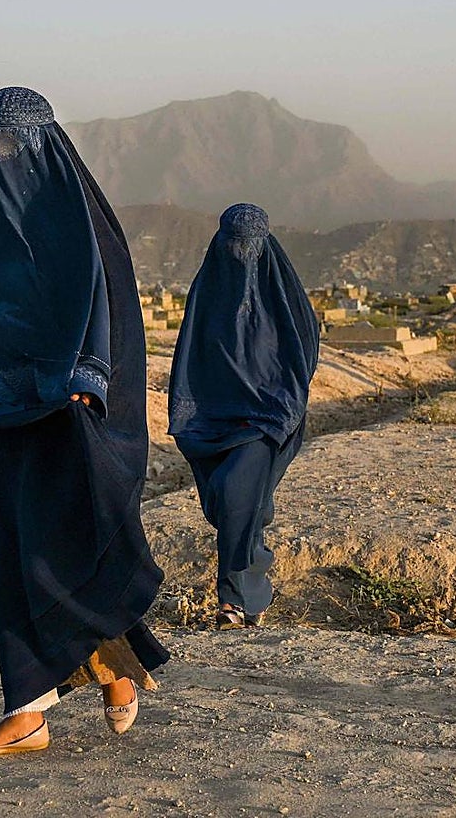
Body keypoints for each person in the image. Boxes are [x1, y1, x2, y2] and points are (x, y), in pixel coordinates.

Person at [0, 87, 168, 759]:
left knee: (64, 548)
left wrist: (86, 384)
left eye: (17, 141)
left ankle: (112, 665)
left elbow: (108, 311)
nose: (5, 156)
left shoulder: (83, 225)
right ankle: (28, 710)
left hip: (67, 410)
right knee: (8, 557)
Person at [168, 203, 320, 630]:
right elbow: (190, 358)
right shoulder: (208, 295)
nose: (241, 255)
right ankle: (253, 589)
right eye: (234, 245)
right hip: (211, 419)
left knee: (237, 496)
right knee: (235, 505)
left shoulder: (284, 298)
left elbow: (304, 352)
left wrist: (284, 402)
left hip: (266, 418)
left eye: (248, 246)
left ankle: (231, 601)